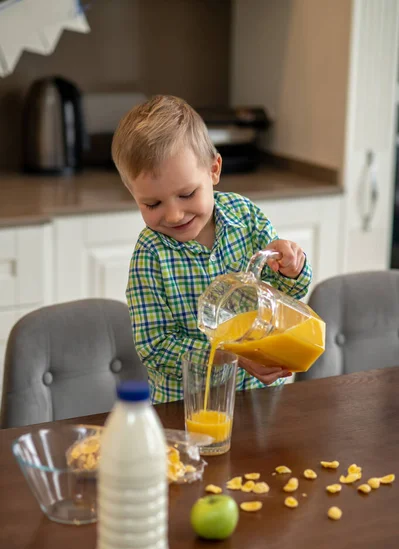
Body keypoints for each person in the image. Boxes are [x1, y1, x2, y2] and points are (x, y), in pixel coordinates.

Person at [112, 95, 312, 403]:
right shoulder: (150, 254)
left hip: (260, 400)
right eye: (152, 204)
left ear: (214, 170)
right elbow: (155, 347)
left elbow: (287, 295)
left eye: (188, 194)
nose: (174, 215)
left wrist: (292, 267)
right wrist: (231, 354)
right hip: (185, 410)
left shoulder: (247, 218)